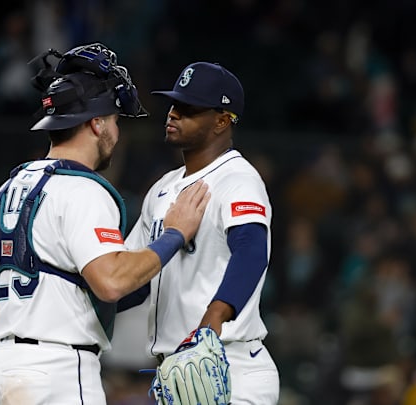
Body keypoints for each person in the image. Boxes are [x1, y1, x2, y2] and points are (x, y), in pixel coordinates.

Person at [0, 43, 210, 405]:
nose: (116, 131)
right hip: (56, 372)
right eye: (114, 120)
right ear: (96, 123)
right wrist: (175, 234)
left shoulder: (9, 187)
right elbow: (110, 282)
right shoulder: (83, 190)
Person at [124, 61, 280, 404]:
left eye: (188, 108)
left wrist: (213, 320)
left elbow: (251, 251)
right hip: (178, 372)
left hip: (229, 363)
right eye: (173, 104)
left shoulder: (238, 180)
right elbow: (133, 280)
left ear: (222, 120)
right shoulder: (162, 189)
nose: (173, 114)